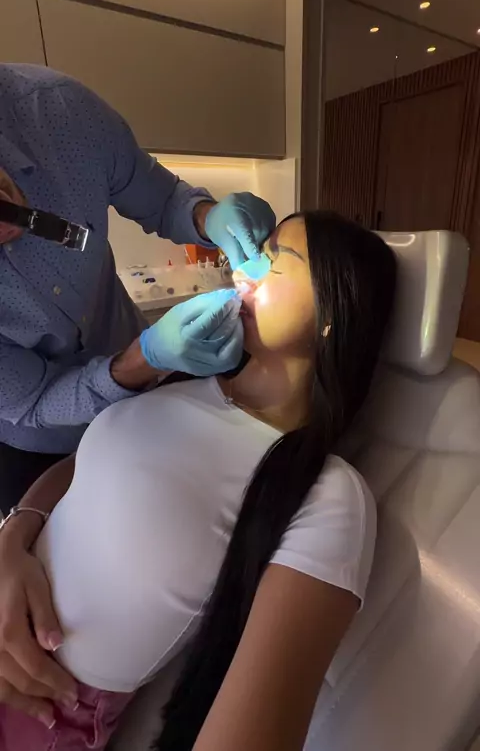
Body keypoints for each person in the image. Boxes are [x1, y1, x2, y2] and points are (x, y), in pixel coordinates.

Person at [0, 212, 397, 751]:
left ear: (333, 313)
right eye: (254, 253)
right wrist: (12, 539)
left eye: (277, 260)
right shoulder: (182, 382)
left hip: (39, 707)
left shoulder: (329, 496)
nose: (243, 270)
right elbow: (80, 469)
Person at [0, 63, 275, 509]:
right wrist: (142, 360)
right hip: (38, 443)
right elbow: (35, 402)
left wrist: (207, 217)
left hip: (151, 407)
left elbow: (164, 199)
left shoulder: (58, 113)